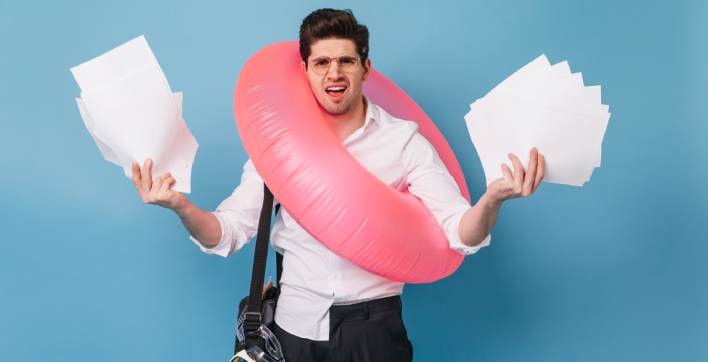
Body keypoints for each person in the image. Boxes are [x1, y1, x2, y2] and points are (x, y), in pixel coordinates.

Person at [130, 8, 545, 362]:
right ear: (306, 70)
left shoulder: (403, 141)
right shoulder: (280, 143)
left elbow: (458, 233)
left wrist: (493, 199)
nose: (335, 72)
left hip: (374, 331)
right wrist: (180, 206)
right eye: (322, 62)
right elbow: (230, 231)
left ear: (366, 68)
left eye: (346, 61)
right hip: (293, 328)